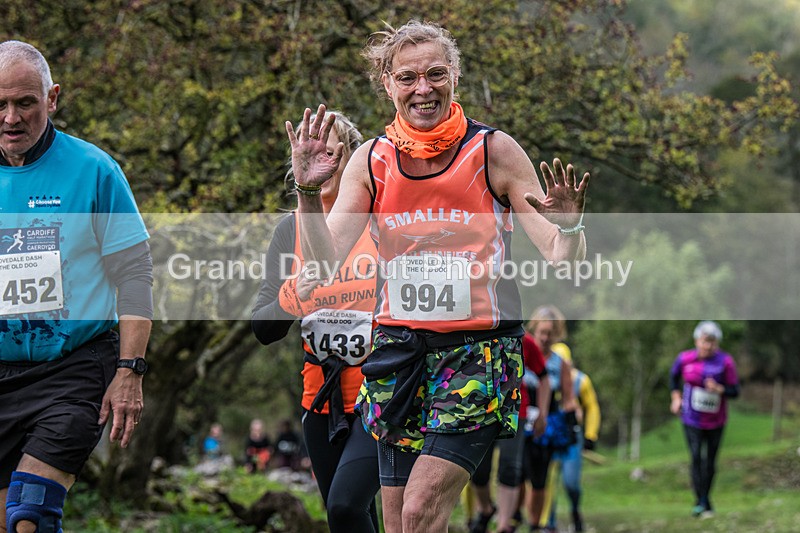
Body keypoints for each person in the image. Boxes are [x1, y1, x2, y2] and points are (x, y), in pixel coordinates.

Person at [285, 20, 590, 533]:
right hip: (397, 356)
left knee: (420, 510)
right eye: (408, 78)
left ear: (454, 77)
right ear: (388, 84)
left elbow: (562, 255)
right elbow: (324, 261)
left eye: (435, 74)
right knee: (399, 520)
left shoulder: (493, 152)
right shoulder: (371, 160)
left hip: (475, 355)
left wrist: (573, 226)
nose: (422, 88)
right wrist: (308, 193)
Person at [0, 41, 153, 533]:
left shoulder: (94, 170)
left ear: (53, 98)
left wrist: (130, 370)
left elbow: (134, 273)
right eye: (0, 104)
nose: (11, 118)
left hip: (73, 370)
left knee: (30, 515)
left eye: (26, 103)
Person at [252, 110, 381, 533]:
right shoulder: (289, 231)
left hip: (379, 394)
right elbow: (263, 328)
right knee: (347, 515)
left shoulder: (377, 222)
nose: (320, 162)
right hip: (321, 400)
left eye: (331, 153)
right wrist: (293, 296)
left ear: (352, 164)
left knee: (347, 506)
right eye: (310, 154)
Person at [467, 328, 551, 533]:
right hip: (481, 409)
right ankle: (486, 509)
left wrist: (543, 413)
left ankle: (504, 524)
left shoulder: (524, 340)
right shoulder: (476, 334)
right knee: (478, 470)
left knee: (510, 466)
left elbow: (544, 377)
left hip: (515, 410)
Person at [670, 320, 739, 518]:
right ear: (696, 340)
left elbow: (735, 391)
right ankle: (700, 501)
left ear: (717, 343)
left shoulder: (725, 362)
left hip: (716, 420)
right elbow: (673, 379)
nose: (708, 346)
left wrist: (720, 389)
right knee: (695, 457)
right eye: (704, 341)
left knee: (710, 461)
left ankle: (705, 499)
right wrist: (675, 397)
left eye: (712, 342)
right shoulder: (685, 359)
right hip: (691, 418)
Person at [521, 307, 578, 532]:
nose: (545, 338)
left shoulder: (559, 363)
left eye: (550, 333)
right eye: (542, 332)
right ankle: (513, 518)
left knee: (539, 479)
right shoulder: (522, 353)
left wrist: (572, 426)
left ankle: (535, 524)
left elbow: (568, 397)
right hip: (522, 416)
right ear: (533, 329)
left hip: (547, 424)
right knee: (516, 475)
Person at [541, 342, 601, 533]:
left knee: (571, 482)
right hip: (549, 438)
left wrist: (591, 434)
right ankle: (548, 524)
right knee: (548, 483)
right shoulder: (544, 380)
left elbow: (592, 407)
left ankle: (575, 511)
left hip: (571, 439)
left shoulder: (580, 381)